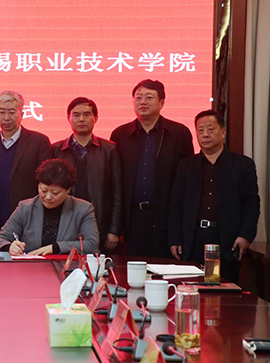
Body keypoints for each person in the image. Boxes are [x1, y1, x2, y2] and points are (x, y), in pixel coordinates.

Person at [169, 110, 259, 283]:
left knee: (222, 288)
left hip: (227, 239)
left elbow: (251, 203)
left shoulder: (242, 165)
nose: (205, 135)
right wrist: (175, 239)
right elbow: (176, 204)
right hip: (193, 239)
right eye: (200, 130)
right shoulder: (186, 166)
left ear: (223, 132)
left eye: (210, 129)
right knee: (192, 286)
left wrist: (245, 235)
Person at [110, 79, 194, 257]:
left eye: (149, 97)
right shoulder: (120, 134)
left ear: (162, 102)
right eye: (138, 97)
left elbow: (188, 182)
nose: (142, 102)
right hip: (132, 220)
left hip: (165, 218)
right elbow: (114, 182)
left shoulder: (179, 133)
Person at [0, 90, 52, 251]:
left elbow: (46, 184)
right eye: (2, 112)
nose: (6, 117)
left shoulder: (39, 142)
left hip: (29, 223)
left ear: (21, 114)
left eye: (12, 112)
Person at [53, 97, 122, 253]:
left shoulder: (109, 150)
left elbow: (117, 192)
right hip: (65, 222)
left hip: (100, 222)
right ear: (68, 118)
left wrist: (114, 230)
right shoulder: (56, 150)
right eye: (76, 115)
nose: (81, 119)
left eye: (86, 114)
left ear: (95, 118)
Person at [0, 159, 98, 255]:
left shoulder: (83, 209)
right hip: (30, 266)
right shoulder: (25, 208)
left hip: (66, 267)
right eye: (44, 190)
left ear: (68, 189)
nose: (48, 197)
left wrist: (55, 248)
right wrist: (9, 247)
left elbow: (91, 244)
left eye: (55, 193)